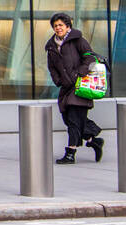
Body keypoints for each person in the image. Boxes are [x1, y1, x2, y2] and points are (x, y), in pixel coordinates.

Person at [44, 11, 104, 164]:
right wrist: (58, 80)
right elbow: (51, 67)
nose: (58, 28)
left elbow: (90, 58)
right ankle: (94, 139)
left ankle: (70, 152)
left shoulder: (78, 40)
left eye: (61, 25)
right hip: (65, 87)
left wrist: (79, 74)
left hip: (80, 86)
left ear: (67, 26)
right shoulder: (51, 46)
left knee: (73, 120)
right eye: (55, 26)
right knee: (69, 118)